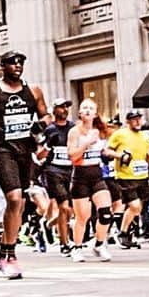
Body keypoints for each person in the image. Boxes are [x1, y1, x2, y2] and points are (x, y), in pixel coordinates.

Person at [0, 52, 48, 278]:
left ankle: (5, 253)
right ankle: (9, 255)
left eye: (21, 63)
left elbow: (46, 115)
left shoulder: (33, 91)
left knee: (20, 202)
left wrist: (40, 126)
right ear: (2, 66)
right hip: (1, 149)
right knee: (13, 197)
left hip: (25, 150)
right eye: (13, 63)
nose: (17, 66)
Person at [67, 100, 113, 262]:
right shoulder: (74, 132)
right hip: (80, 176)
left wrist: (115, 154)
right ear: (79, 113)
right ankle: (77, 248)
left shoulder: (99, 131)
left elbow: (103, 150)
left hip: (97, 174)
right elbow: (72, 156)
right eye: (84, 108)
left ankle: (99, 244)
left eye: (91, 108)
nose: (87, 111)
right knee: (82, 217)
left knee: (106, 213)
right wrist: (86, 143)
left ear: (95, 113)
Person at [108, 111, 149, 249]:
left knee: (137, 208)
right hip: (125, 175)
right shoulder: (120, 134)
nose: (138, 122)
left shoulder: (145, 137)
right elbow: (107, 151)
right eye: (134, 119)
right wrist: (120, 156)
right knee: (134, 206)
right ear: (128, 121)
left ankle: (129, 233)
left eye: (139, 119)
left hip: (142, 176)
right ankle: (122, 233)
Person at [41, 100, 74, 253]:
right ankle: (65, 243)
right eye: (61, 107)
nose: (64, 109)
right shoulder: (49, 129)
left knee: (70, 210)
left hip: (72, 170)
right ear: (54, 110)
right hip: (54, 170)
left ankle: (48, 225)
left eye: (66, 107)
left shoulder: (74, 128)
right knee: (64, 206)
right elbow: (39, 153)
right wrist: (48, 145)